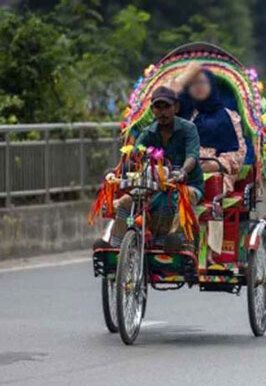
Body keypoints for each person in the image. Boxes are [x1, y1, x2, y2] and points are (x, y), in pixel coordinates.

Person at [97, 86, 204, 251]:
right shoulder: (148, 132)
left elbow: (192, 156)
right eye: (158, 107)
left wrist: (183, 171)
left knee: (186, 196)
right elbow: (133, 154)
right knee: (126, 201)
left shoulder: (188, 129)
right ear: (152, 109)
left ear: (176, 107)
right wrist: (118, 171)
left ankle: (175, 239)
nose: (162, 112)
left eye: (167, 107)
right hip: (155, 186)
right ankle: (115, 246)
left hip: (186, 184)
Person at [169, 63, 247, 195]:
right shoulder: (180, 112)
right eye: (193, 83)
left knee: (203, 188)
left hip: (214, 174)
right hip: (180, 172)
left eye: (202, 82)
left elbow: (238, 153)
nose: (198, 86)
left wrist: (216, 164)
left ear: (211, 84)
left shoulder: (227, 116)